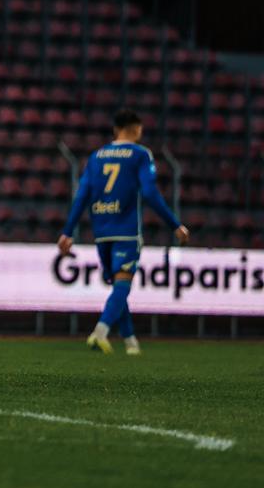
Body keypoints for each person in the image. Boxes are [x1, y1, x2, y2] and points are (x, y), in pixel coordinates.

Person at [59, 109, 189, 356]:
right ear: (136, 128)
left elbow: (82, 195)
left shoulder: (96, 157)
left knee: (119, 285)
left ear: (115, 130)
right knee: (123, 285)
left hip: (102, 232)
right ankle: (100, 332)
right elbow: (150, 193)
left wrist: (67, 231)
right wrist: (174, 224)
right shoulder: (140, 154)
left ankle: (130, 342)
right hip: (126, 231)